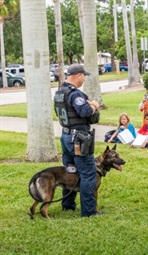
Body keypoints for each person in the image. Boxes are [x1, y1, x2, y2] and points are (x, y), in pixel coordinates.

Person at [53, 64, 100, 217]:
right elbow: (85, 111)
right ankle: (89, 211)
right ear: (79, 75)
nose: (84, 79)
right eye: (83, 76)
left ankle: (68, 205)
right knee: (87, 173)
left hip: (66, 135)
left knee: (70, 170)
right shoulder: (75, 94)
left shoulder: (60, 92)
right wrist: (94, 105)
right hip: (78, 138)